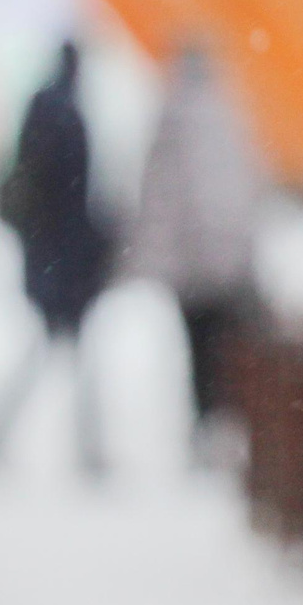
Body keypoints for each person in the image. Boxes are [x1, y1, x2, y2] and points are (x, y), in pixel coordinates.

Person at [0, 38, 115, 479]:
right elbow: (71, 200)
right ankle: (85, 448)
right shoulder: (68, 117)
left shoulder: (39, 111)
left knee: (52, 352)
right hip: (62, 259)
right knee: (63, 353)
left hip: (45, 254)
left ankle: (2, 429)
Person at [125, 42, 265, 451]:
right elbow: (244, 192)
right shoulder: (229, 115)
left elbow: (160, 199)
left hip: (192, 269)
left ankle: (206, 423)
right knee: (221, 351)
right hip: (224, 265)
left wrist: (153, 258)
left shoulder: (172, 118)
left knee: (199, 351)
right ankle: (217, 423)